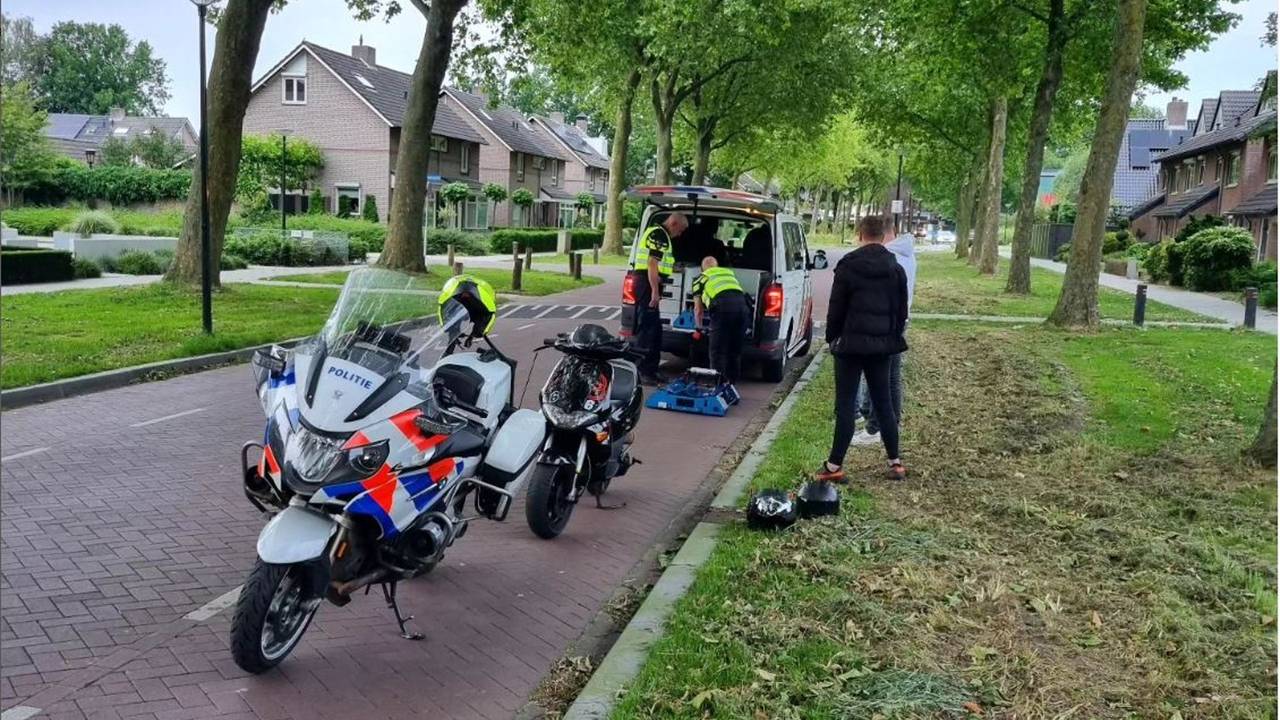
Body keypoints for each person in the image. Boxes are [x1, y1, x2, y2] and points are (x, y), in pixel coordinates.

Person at [817, 214, 909, 482]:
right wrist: (890, 337)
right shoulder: (896, 269)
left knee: (845, 405)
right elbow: (901, 311)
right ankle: (896, 462)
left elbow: (836, 309)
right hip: (881, 347)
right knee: (883, 403)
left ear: (860, 234)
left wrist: (832, 339)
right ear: (884, 236)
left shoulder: (848, 266)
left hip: (850, 346)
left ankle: (835, 467)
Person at [851, 230, 917, 445]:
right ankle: (885, 422)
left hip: (884, 322)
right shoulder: (905, 253)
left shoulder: (890, 256)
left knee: (881, 376)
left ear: (886, 233)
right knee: (890, 375)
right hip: (897, 320)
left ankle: (876, 427)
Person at [634, 212, 687, 384]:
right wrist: (655, 292)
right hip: (646, 284)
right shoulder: (659, 235)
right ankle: (643, 371)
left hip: (649, 283)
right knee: (648, 330)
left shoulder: (660, 234)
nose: (680, 234)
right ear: (673, 223)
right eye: (681, 229)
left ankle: (652, 369)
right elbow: (652, 264)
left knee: (655, 331)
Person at [690, 256, 748, 384]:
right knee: (734, 350)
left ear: (702, 269)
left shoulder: (700, 279)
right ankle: (731, 385)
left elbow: (698, 309)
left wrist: (698, 328)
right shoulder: (728, 273)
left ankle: (717, 385)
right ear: (716, 266)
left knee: (717, 351)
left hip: (722, 309)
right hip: (742, 309)